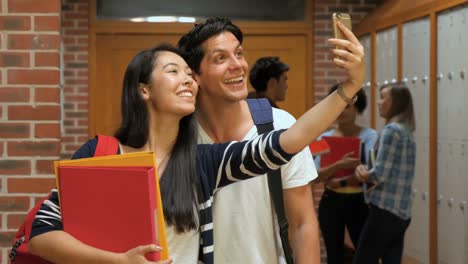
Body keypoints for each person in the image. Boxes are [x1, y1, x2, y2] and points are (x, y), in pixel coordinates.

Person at [28, 38, 365, 264]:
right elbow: (41, 235)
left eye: (190, 74)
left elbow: (288, 141)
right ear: (143, 89)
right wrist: (118, 261)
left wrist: (350, 86)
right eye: (173, 72)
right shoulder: (101, 153)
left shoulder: (203, 162)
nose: (188, 80)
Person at [177, 17, 364, 263]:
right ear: (195, 76)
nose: (237, 65)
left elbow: (302, 223)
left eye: (239, 54)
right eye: (220, 58)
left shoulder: (278, 124)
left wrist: (351, 85)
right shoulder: (180, 136)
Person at [313, 84, 377, 264]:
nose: (343, 111)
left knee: (365, 255)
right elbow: (315, 176)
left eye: (347, 106)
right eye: (339, 106)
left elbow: (372, 173)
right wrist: (339, 165)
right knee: (334, 256)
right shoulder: (322, 139)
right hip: (330, 203)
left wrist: (340, 180)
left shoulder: (370, 136)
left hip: (360, 203)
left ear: (358, 107)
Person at [353, 83, 416, 264]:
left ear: (396, 103)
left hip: (384, 211)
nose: (379, 103)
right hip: (402, 213)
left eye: (383, 98)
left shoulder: (390, 131)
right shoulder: (406, 132)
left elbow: (379, 174)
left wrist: (362, 172)